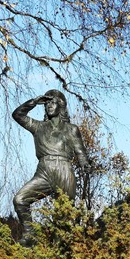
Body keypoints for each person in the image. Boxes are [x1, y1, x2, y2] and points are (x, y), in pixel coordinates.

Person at [12, 89, 89, 246]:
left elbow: (81, 152)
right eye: (46, 103)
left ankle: (61, 256)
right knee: (20, 200)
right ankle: (30, 235)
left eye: (52, 102)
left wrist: (84, 163)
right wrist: (34, 102)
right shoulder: (38, 127)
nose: (48, 106)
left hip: (64, 170)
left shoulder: (71, 129)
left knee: (63, 219)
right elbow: (17, 115)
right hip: (44, 170)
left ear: (61, 106)